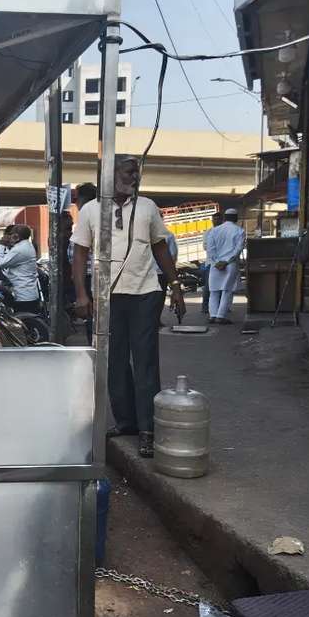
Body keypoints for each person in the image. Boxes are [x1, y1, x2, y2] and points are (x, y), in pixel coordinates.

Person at [72, 154, 186, 459]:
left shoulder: (147, 207)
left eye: (136, 174)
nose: (133, 178)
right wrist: (83, 295)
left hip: (145, 293)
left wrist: (175, 286)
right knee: (114, 363)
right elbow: (80, 254)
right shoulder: (90, 211)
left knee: (146, 361)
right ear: (108, 176)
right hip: (108, 297)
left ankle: (148, 429)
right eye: (127, 172)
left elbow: (160, 247)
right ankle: (127, 423)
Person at [69, 183, 98, 343]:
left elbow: (79, 255)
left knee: (92, 318)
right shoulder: (93, 213)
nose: (75, 203)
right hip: (89, 277)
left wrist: (81, 293)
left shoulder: (89, 213)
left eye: (75, 199)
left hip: (89, 277)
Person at [207, 209, 244, 324]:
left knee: (213, 291)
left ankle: (212, 315)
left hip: (215, 265)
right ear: (236, 218)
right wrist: (226, 261)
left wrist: (217, 261)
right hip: (230, 265)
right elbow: (238, 249)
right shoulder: (239, 231)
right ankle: (220, 316)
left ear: (224, 218)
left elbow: (210, 248)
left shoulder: (214, 230)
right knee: (227, 290)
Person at [0, 224, 41, 313]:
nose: (8, 238)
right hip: (27, 294)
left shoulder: (19, 250)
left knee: (23, 324)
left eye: (11, 235)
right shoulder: (25, 246)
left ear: (16, 236)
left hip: (24, 297)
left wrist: (2, 245)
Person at [200, 211, 223, 314]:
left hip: (223, 262)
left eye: (218, 219)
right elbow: (206, 247)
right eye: (214, 219)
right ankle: (205, 306)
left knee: (223, 285)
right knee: (209, 286)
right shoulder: (208, 232)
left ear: (222, 220)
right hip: (211, 263)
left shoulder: (224, 232)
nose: (216, 221)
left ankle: (221, 306)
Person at [155, 227, 179, 325]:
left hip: (147, 272)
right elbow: (173, 255)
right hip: (161, 272)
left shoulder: (142, 232)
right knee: (160, 297)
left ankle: (152, 319)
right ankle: (156, 319)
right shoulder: (168, 234)